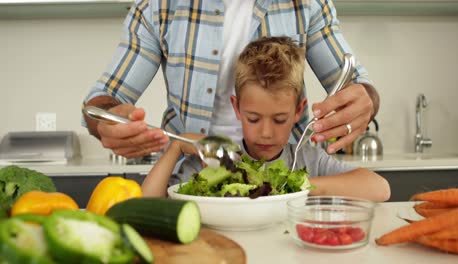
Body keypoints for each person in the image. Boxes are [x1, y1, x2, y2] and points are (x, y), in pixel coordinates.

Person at [82, 0, 380, 158]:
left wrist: (365, 102)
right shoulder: (158, 6)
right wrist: (108, 121)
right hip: (189, 182)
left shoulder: (307, 4)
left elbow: (358, 86)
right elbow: (103, 99)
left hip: (284, 184)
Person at [141, 37, 390, 202]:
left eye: (280, 119)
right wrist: (178, 145)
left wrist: (301, 187)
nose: (266, 133)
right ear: (237, 109)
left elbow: (380, 189)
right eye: (253, 118)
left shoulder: (307, 160)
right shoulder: (218, 160)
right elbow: (149, 202)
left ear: (297, 111)